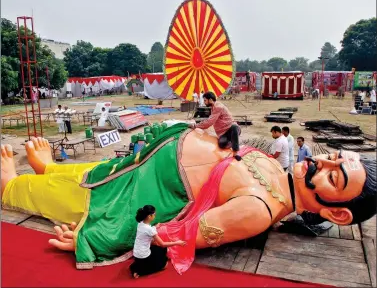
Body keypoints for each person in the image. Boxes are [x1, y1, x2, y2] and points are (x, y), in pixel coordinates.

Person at [1, 127, 376, 274]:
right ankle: (50, 169)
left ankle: (11, 187)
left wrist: (100, 238)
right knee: (91, 171)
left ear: (337, 213)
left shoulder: (258, 210)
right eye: (334, 157)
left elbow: (177, 234)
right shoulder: (274, 170)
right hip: (144, 163)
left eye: (333, 175)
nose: (321, 161)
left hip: (147, 191)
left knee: (76, 195)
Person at [130, 205, 186, 278]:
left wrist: (155, 227)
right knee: (165, 264)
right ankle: (139, 272)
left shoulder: (140, 223)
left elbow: (147, 231)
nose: (155, 216)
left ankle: (138, 266)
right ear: (149, 216)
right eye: (154, 214)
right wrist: (177, 242)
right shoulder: (150, 230)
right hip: (144, 256)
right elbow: (162, 244)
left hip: (137, 254)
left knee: (158, 248)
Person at [190, 91, 241, 161]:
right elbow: (209, 120)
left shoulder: (218, 107)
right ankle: (233, 141)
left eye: (205, 100)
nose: (204, 102)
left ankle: (236, 153)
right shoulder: (213, 108)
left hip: (231, 129)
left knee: (234, 127)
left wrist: (196, 126)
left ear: (210, 100)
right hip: (223, 133)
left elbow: (209, 122)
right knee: (221, 144)